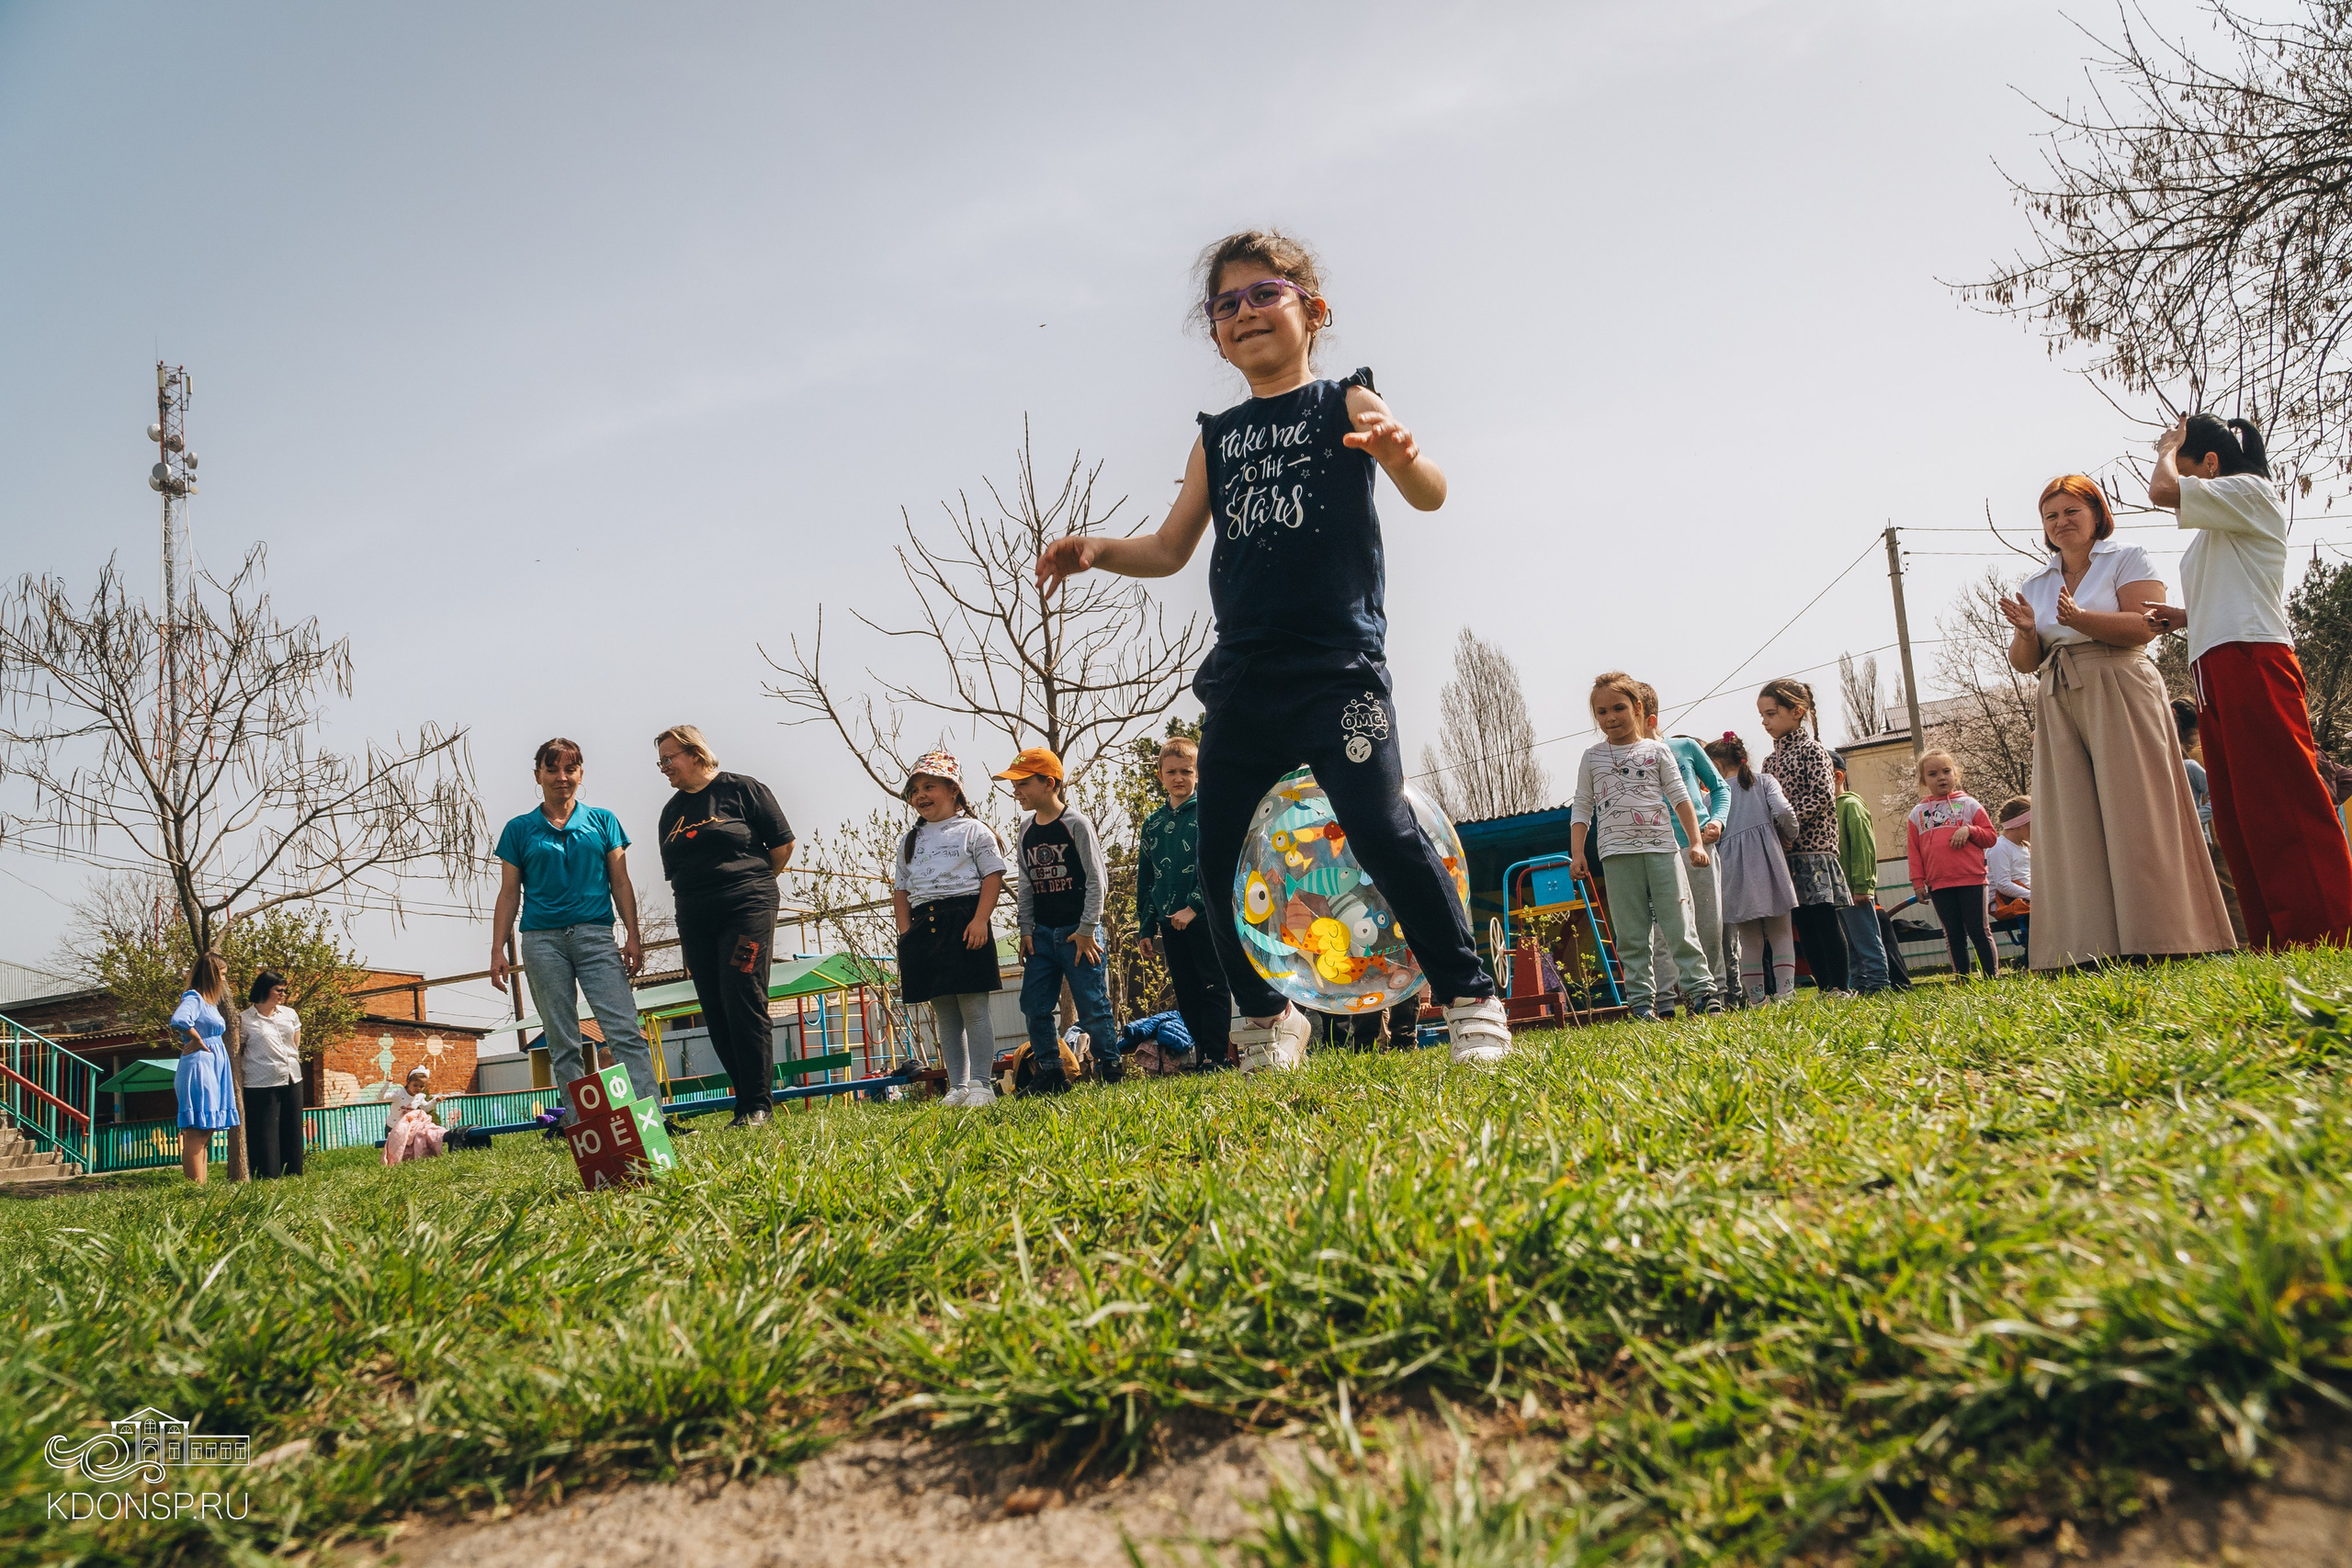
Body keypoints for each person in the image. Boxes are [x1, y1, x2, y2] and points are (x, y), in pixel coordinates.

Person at [1032, 229, 1508, 1069]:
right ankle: (1268, 1016)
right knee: (1216, 858)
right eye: (1227, 304)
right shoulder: (1216, 438)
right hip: (1245, 681)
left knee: (1381, 826)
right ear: (1215, 334)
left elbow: (1430, 493)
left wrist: (1403, 457)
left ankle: (1470, 995)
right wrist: (1099, 549)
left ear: (1312, 310)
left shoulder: (1347, 401)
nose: (1245, 312)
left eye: (1265, 294)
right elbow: (1171, 547)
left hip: (1338, 673)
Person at [1998, 476, 2234, 967]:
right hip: (2058, 694)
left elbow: (2147, 625)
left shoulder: (2128, 558)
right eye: (2051, 515)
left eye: (2071, 511)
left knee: (2139, 808)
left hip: (2121, 683)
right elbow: (2025, 661)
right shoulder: (2037, 583)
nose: (2061, 522)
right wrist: (2026, 633)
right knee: (2072, 819)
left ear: (2097, 514)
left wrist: (2081, 619)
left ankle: (2164, 935)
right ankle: (2089, 946)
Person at [2146, 415, 2352, 949]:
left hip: (2252, 656)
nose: (2177, 471)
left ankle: (2327, 928)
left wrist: (2168, 448)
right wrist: (2186, 615)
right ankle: (2274, 936)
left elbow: (2162, 490)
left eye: (2187, 463)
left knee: (2283, 795)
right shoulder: (2225, 518)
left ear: (2211, 463)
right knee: (2240, 810)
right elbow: (2236, 586)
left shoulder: (2251, 491)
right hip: (2213, 664)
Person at [490, 738, 659, 1130]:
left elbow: (620, 881)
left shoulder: (603, 821)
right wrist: (498, 948)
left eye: (570, 769)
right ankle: (581, 1127)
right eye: (552, 770)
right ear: (538, 776)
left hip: (595, 937)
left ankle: (652, 1120)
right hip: (542, 942)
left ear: (581, 773)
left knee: (624, 1030)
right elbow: (509, 892)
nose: (561, 777)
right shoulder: (519, 829)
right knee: (561, 1038)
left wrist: (633, 935)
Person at [655, 725, 797, 1127]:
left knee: (742, 993)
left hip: (746, 908)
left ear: (696, 754)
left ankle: (758, 1105)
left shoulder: (744, 790)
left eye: (669, 759)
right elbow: (675, 871)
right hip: (695, 917)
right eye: (660, 762)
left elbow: (782, 845)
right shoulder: (671, 812)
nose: (665, 768)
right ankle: (744, 1101)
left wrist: (752, 885)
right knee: (714, 1007)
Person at [1569, 673, 1717, 1021]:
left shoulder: (1658, 751)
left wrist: (1695, 843)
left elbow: (1680, 798)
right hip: (1616, 855)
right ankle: (1641, 1003)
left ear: (1637, 708)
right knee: (1631, 932)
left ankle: (1701, 992)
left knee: (1679, 923)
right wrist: (1577, 853)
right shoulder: (1592, 757)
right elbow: (1582, 805)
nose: (1611, 718)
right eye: (1602, 712)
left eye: (1619, 708)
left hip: (1662, 849)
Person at [890, 750, 1008, 1108]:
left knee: (973, 1007)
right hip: (924, 926)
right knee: (944, 1011)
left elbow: (993, 876)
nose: (920, 796)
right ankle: (957, 1086)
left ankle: (981, 1084)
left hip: (965, 919)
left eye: (929, 787)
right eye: (914, 790)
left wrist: (980, 920)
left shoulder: (974, 830)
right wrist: (906, 934)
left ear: (954, 789)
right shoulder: (909, 840)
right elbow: (901, 890)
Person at [998, 747, 1121, 1086]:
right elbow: (1026, 883)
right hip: (1041, 935)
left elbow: (1097, 879)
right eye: (1014, 785)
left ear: (1049, 783)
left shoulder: (1075, 824)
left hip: (1078, 934)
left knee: (1092, 1004)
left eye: (1023, 784)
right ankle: (1051, 1071)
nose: (1016, 791)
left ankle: (1109, 1067)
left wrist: (1087, 928)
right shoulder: (1026, 829)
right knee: (1034, 1005)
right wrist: (1025, 929)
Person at [1136, 737, 1233, 1070]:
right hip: (1169, 923)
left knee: (1212, 985)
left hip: (1205, 918)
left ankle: (1217, 1056)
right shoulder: (1152, 824)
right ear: (1160, 775)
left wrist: (1193, 907)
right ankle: (1199, 1055)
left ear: (1197, 773)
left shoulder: (1209, 813)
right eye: (1172, 772)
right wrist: (1146, 927)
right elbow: (1147, 879)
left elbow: (1217, 865)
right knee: (1186, 991)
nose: (1179, 778)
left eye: (1186, 771)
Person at [1634, 684, 1730, 1016]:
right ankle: (1664, 1003)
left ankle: (1712, 995)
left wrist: (1717, 821)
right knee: (1662, 933)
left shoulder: (1685, 748)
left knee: (1708, 924)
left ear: (1649, 719)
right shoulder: (1623, 761)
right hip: (1655, 852)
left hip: (1696, 848)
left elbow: (1720, 788)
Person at [1757, 679, 1852, 994]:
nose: (1765, 722)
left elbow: (1822, 795)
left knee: (1823, 918)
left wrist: (1789, 824)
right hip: (1785, 854)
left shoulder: (1813, 751)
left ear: (1797, 712)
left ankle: (1840, 987)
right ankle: (1824, 988)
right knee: (1803, 923)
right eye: (1762, 716)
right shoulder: (1769, 762)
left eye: (1771, 714)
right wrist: (1774, 830)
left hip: (1815, 850)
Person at [1705, 733, 1800, 1004]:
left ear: (1716, 765)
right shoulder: (1765, 782)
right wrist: (1790, 834)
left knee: (1750, 941)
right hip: (1769, 863)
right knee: (1781, 932)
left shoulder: (1712, 799)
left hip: (1733, 871)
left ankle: (1758, 1000)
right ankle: (1786, 993)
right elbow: (1784, 811)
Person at [1905, 750, 2001, 980]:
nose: (1941, 777)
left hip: (1972, 879)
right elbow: (1914, 851)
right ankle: (1963, 980)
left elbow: (1990, 837)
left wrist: (1970, 830)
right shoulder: (1917, 814)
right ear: (1923, 780)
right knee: (1953, 934)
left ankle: (1992, 978)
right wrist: (1918, 882)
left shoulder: (1970, 805)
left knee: (1978, 930)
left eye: (1946, 771)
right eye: (1933, 774)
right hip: (1939, 884)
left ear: (1955, 774)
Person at [2172, 696, 2249, 943]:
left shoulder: (2194, 757)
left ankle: (2242, 944)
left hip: (2215, 836)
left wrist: (2200, 823)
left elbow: (2212, 798)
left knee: (2226, 890)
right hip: (2236, 829)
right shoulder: (2217, 747)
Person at [167, 953, 239, 1186]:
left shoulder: (210, 1003)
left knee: (205, 1131)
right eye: (223, 974)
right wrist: (197, 1039)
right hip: (200, 1065)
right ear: (212, 975)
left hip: (212, 1065)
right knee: (197, 1131)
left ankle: (202, 1186)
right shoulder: (194, 998)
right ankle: (194, 1189)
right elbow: (179, 1020)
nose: (225, 979)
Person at [1831, 753, 1893, 996]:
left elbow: (1863, 847)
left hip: (1854, 889)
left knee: (1867, 940)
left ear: (1838, 777)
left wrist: (1863, 886)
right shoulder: (1828, 809)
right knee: (1851, 944)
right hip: (1839, 891)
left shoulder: (1851, 806)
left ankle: (1879, 985)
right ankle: (1861, 986)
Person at [239, 970, 304, 1179]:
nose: (283, 994)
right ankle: (267, 1177)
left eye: (285, 990)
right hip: (260, 1082)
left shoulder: (289, 1014)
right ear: (264, 989)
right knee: (264, 1133)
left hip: (292, 1077)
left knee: (292, 1128)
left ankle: (293, 1174)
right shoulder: (245, 1019)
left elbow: (295, 1043)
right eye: (279, 990)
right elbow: (239, 1051)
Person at [1989, 795, 2033, 952]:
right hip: (2006, 901)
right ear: (2021, 824)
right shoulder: (2000, 847)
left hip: (2025, 896)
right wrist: (2034, 896)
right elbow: (2003, 884)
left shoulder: (2025, 846)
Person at [381, 1066, 446, 1165]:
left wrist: (435, 1101)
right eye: (415, 1085)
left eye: (422, 1086)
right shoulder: (399, 1094)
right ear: (408, 1082)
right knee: (392, 1151)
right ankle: (391, 1166)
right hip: (393, 1127)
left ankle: (406, 1165)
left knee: (405, 1151)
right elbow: (380, 1097)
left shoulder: (419, 1097)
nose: (418, 1089)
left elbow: (426, 1108)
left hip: (407, 1128)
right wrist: (387, 1084)